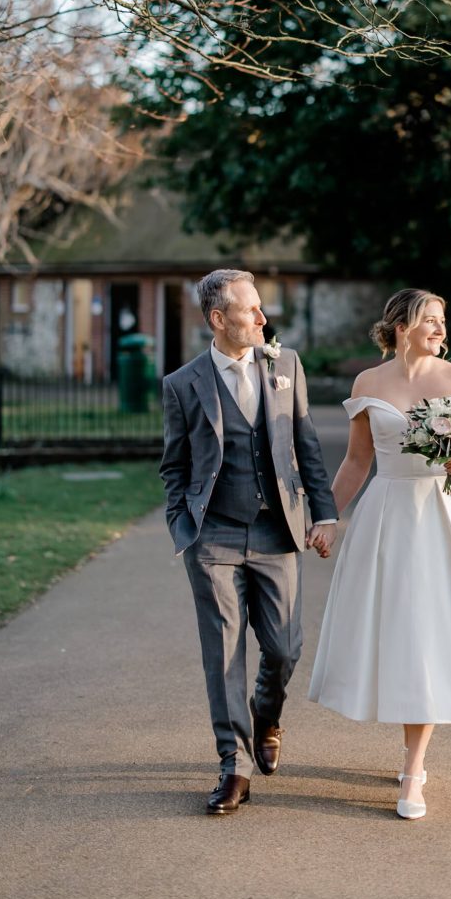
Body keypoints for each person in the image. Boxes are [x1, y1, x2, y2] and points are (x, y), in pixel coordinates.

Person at [308, 288, 451, 820]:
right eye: (428, 319)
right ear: (400, 324)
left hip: (444, 517)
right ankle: (411, 751)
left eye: (442, 320)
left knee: (429, 633)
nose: (439, 329)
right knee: (397, 632)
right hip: (386, 517)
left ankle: (414, 770)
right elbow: (357, 463)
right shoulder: (369, 383)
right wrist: (329, 517)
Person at [160, 269, 337, 815]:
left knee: (284, 647)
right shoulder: (182, 384)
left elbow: (306, 446)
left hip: (275, 530)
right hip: (211, 534)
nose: (263, 318)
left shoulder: (285, 365)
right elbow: (175, 467)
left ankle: (268, 711)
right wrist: (182, 527)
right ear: (218, 319)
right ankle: (233, 765)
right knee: (223, 653)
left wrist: (324, 514)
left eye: (261, 308)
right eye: (250, 310)